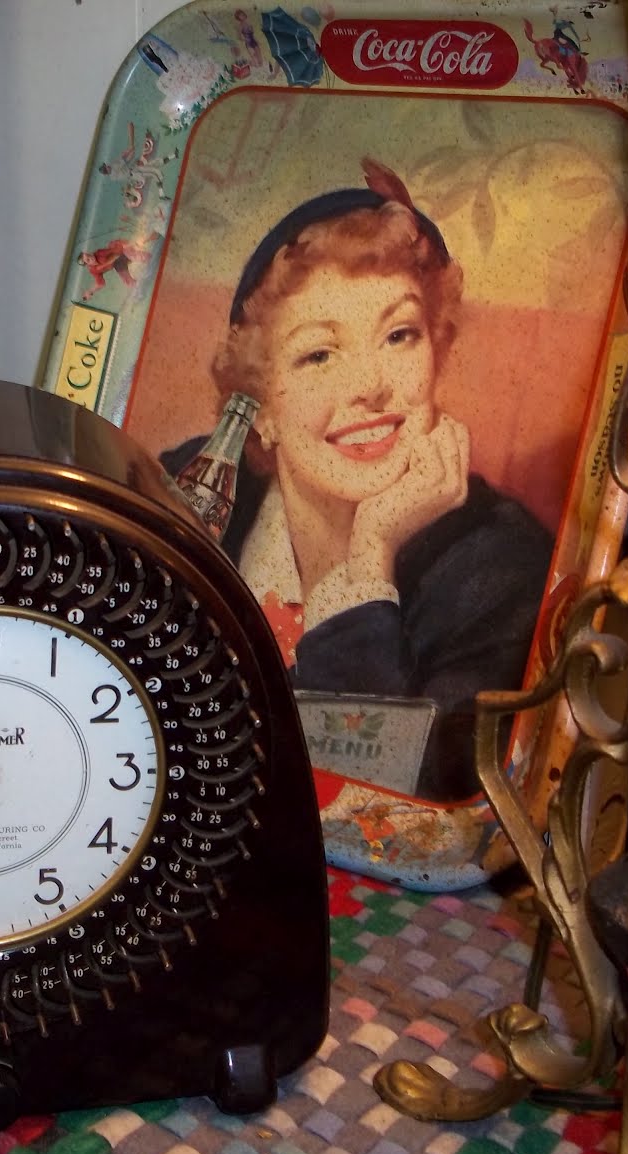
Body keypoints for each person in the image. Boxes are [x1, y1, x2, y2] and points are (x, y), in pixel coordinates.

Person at [163, 159, 553, 797]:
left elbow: (384, 806)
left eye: (399, 335)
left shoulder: (503, 570)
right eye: (319, 353)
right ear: (260, 404)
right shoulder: (184, 489)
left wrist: (370, 561)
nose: (370, 385)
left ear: (436, 351)